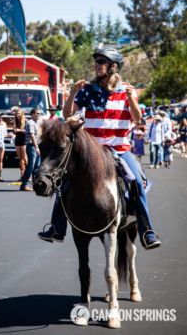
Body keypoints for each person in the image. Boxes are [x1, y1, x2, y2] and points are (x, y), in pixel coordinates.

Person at [38, 47, 161, 250]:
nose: (97, 66)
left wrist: (131, 98)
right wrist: (72, 93)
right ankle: (56, 228)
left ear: (113, 67)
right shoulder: (87, 91)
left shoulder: (126, 91)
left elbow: (138, 119)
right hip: (92, 151)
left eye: (101, 62)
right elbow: (67, 114)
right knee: (64, 179)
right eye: (96, 62)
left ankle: (147, 230)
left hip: (120, 149)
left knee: (138, 181)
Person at [20, 108, 42, 192]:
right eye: (37, 113)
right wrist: (36, 147)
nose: (38, 115)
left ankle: (35, 184)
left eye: (39, 114)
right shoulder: (30, 123)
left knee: (37, 166)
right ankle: (24, 184)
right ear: (32, 114)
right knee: (31, 166)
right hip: (32, 146)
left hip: (38, 146)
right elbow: (32, 136)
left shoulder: (38, 123)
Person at [13, 108, 27, 180]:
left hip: (24, 140)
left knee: (25, 158)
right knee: (20, 159)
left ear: (21, 114)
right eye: (16, 114)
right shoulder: (15, 122)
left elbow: (27, 131)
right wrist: (14, 131)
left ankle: (28, 174)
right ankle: (22, 175)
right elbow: (14, 131)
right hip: (17, 140)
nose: (17, 115)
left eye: (19, 113)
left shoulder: (25, 121)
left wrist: (19, 130)